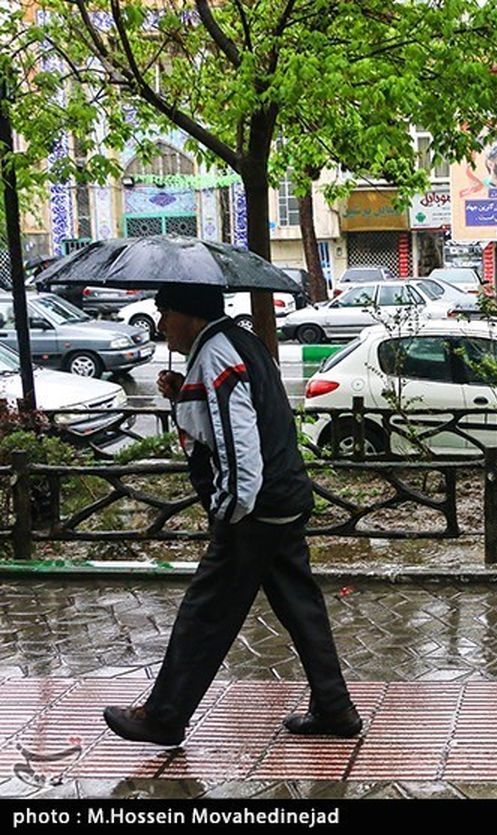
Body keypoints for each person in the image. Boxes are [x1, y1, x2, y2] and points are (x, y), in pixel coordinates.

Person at [103, 285, 360, 746]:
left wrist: (228, 513)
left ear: (190, 315)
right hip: (281, 499)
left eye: (165, 313)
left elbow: (240, 445)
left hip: (253, 511)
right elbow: (231, 418)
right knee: (300, 608)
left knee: (205, 613)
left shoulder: (219, 357)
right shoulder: (238, 344)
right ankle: (335, 708)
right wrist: (184, 395)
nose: (160, 325)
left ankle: (163, 716)